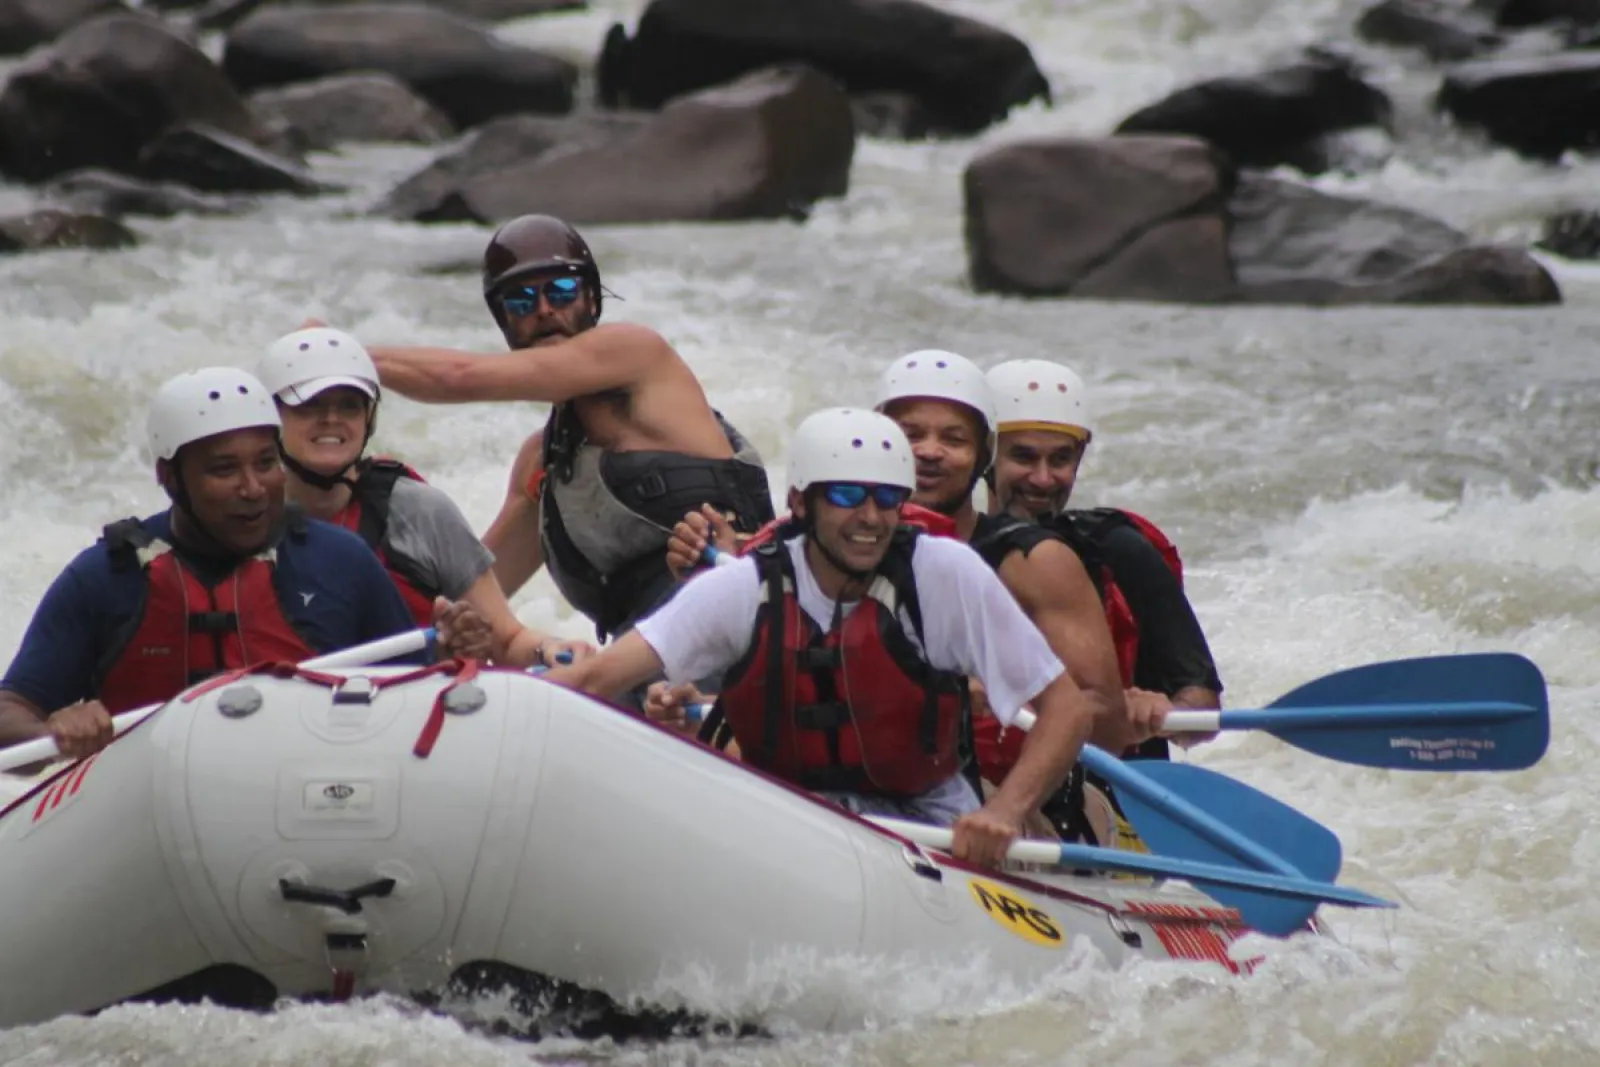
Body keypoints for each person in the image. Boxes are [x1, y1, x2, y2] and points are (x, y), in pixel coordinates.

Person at [544, 408, 1100, 868]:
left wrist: (1004, 810)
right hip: (789, 818)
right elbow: (597, 677)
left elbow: (1066, 710)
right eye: (847, 495)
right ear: (799, 504)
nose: (870, 517)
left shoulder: (945, 572)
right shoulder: (744, 585)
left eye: (886, 498)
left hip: (927, 820)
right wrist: (487, 694)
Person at [0, 367, 490, 764]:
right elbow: (10, 711)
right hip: (153, 816)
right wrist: (53, 730)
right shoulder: (107, 577)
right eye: (223, 469)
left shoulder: (340, 561)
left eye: (265, 463)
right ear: (170, 477)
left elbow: (418, 697)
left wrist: (456, 652)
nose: (253, 488)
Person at [351, 214, 776, 648]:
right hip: (642, 667)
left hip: (745, 630)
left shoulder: (636, 354)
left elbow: (458, 377)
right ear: (504, 322)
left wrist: (342, 356)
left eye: (561, 291)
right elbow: (478, 590)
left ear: (591, 300)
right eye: (520, 301)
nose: (544, 310)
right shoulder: (543, 464)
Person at [983, 358, 1224, 846]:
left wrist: (1152, 709)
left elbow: (1202, 710)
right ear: (985, 454)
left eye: (1061, 459)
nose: (1044, 478)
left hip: (1113, 797)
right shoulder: (943, 547)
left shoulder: (1120, 550)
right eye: (1023, 457)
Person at [256, 326, 592, 670]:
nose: (331, 420)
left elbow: (508, 639)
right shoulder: (240, 519)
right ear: (270, 418)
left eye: (349, 406)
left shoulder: (417, 510)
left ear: (369, 418)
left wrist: (548, 649)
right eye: (310, 406)